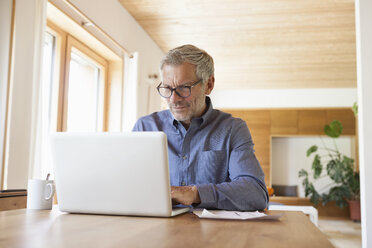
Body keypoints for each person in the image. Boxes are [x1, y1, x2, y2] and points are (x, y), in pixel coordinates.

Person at [133, 44, 268, 211]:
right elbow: (129, 187)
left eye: (184, 88)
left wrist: (195, 193)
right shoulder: (145, 127)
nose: (174, 99)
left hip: (212, 234)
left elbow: (255, 193)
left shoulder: (233, 129)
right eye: (167, 88)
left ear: (208, 85)